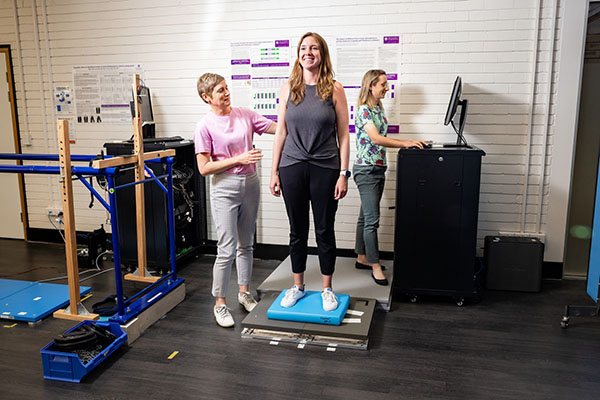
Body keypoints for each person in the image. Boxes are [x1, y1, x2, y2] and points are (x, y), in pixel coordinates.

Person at [269, 32, 350, 312]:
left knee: (325, 230)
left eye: (314, 48)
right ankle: (298, 286)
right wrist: (273, 172)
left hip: (325, 167)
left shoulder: (335, 89)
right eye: (303, 48)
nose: (308, 52)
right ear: (298, 54)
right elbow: (281, 131)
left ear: (322, 53)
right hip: (292, 166)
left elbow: (344, 136)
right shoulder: (288, 88)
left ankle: (327, 288)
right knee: (297, 229)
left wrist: (343, 173)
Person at [194, 73, 276, 328]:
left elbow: (277, 127)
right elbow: (204, 168)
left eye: (226, 88)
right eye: (220, 90)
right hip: (224, 187)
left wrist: (296, 112)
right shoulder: (204, 126)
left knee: (246, 244)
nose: (226, 93)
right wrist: (238, 159)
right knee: (226, 248)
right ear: (207, 97)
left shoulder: (245, 115)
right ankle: (220, 303)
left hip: (250, 184)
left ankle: (244, 293)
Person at [353, 69, 428, 285]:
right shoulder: (364, 111)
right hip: (366, 170)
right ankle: (375, 265)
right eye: (383, 84)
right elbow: (376, 138)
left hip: (378, 168)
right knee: (372, 221)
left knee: (364, 217)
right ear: (371, 86)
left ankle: (362, 257)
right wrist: (405, 142)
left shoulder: (378, 109)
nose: (387, 88)